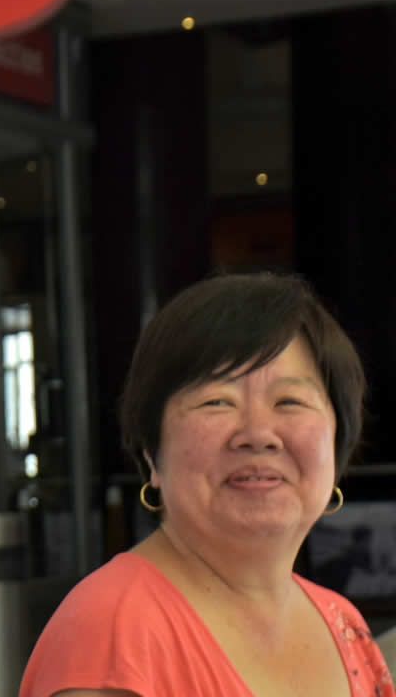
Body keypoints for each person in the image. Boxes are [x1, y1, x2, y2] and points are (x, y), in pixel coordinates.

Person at [20, 273, 394, 697]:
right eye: (217, 401)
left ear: (337, 442)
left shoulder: (343, 623)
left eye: (290, 401)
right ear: (151, 454)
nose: (258, 433)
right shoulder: (114, 633)